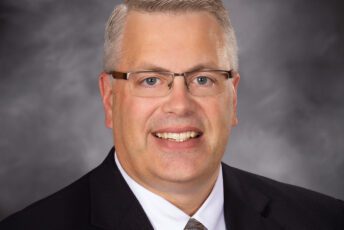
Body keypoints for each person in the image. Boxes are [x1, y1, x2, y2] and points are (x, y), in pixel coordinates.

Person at [0, 0, 343, 229]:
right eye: (151, 79)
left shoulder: (324, 219)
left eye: (203, 78)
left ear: (233, 97)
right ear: (110, 99)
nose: (180, 104)